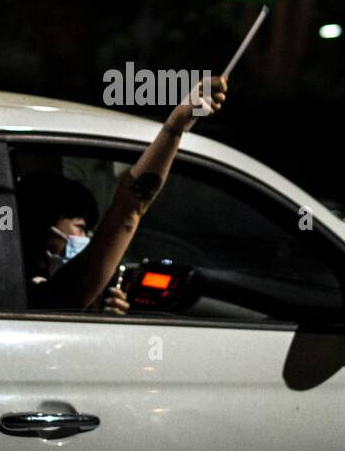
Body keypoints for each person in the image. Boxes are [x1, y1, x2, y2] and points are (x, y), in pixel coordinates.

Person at [21, 75, 228, 313]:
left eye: (89, 231)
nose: (87, 238)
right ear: (42, 227)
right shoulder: (44, 298)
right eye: (80, 227)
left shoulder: (9, 293)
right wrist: (175, 126)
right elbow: (129, 209)